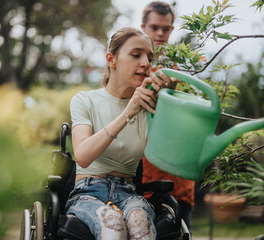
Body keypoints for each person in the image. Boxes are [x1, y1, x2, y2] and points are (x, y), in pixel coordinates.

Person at [65, 27, 175, 240]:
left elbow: (172, 155)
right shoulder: (84, 101)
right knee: (113, 225)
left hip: (130, 194)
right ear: (111, 59)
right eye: (136, 55)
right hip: (88, 194)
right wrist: (128, 112)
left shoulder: (150, 107)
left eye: (149, 57)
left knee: (141, 226)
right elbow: (83, 156)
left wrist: (171, 103)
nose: (145, 62)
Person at [140, 1, 195, 229]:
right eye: (154, 27)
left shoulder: (184, 68)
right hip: (144, 174)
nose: (160, 33)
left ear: (172, 29)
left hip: (178, 173)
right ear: (143, 27)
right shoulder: (136, 66)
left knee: (181, 231)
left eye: (166, 28)